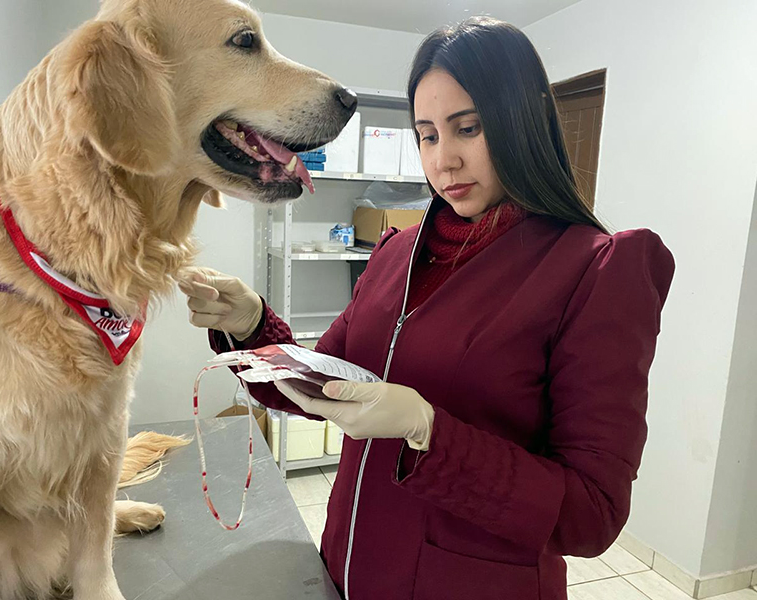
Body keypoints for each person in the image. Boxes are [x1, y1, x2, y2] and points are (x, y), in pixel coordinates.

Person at [179, 16, 674, 600]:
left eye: (468, 129)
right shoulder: (396, 254)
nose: (444, 162)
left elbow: (591, 515)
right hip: (350, 566)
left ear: (528, 119)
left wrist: (429, 430)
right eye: (428, 135)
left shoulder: (595, 269)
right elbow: (324, 388)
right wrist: (253, 327)